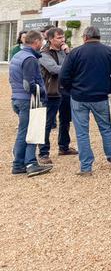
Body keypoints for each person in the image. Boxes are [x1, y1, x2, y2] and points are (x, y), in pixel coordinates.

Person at [58, 26, 111, 176]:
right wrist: (109, 89)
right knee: (106, 129)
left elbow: (64, 75)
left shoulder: (75, 52)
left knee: (82, 133)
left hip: (79, 97)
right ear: (99, 37)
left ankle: (86, 167)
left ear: (85, 37)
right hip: (100, 96)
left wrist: (70, 90)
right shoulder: (110, 51)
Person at [9, 30, 52, 177]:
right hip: (28, 100)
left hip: (17, 98)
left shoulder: (17, 55)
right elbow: (28, 84)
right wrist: (41, 92)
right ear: (37, 42)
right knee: (32, 131)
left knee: (23, 132)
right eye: (42, 41)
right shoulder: (30, 59)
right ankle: (31, 164)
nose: (43, 43)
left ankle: (18, 164)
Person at [38, 27, 77, 164]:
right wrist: (70, 67)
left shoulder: (65, 51)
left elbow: (74, 63)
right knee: (47, 123)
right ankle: (43, 153)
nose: (62, 40)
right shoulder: (44, 53)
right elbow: (54, 69)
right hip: (51, 92)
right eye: (58, 38)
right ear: (50, 39)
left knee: (66, 120)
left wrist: (68, 52)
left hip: (65, 90)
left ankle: (64, 147)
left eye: (63, 37)